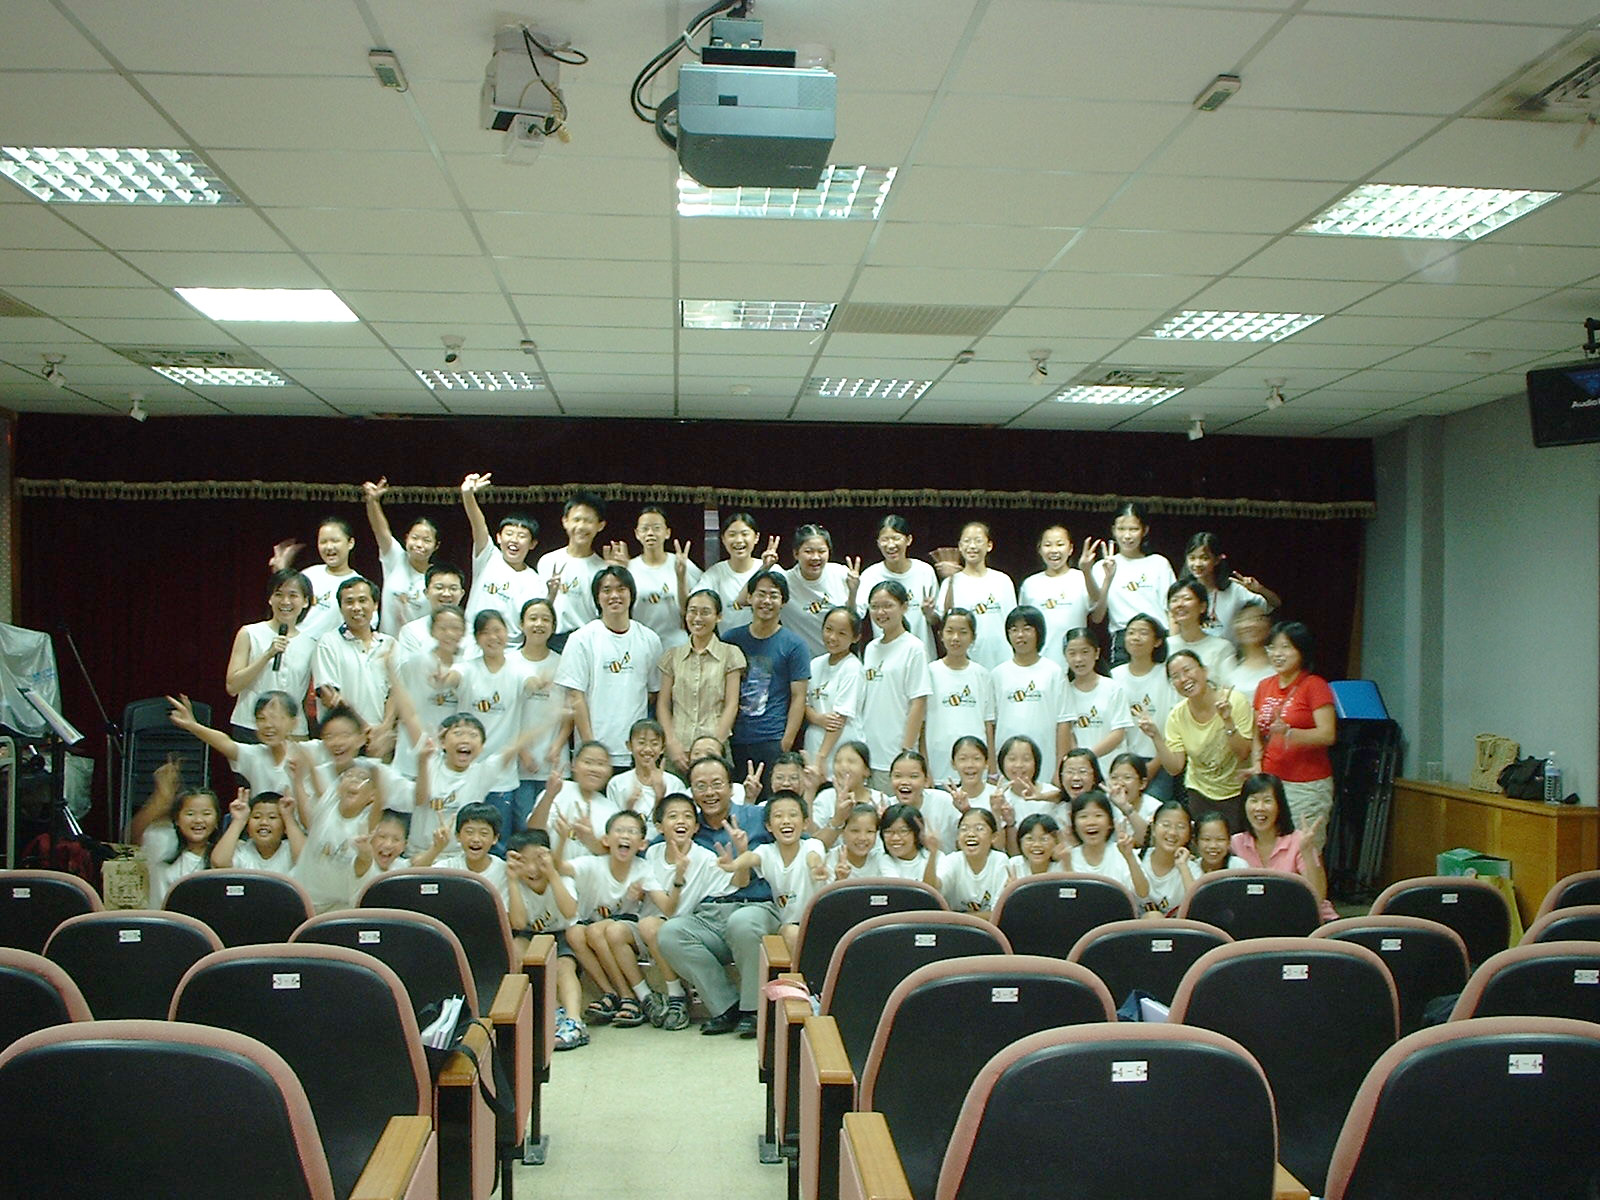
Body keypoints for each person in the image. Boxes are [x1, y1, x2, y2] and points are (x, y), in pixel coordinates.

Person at [656, 755, 778, 1037]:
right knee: (670, 933)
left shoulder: (756, 816)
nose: (709, 792)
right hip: (708, 915)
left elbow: (797, 839)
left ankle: (753, 1010)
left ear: (731, 787)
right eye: (701, 786)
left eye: (716, 784)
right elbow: (646, 846)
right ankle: (727, 1006)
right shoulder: (689, 824)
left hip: (755, 907)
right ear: (692, 791)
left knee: (742, 923)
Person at [562, 809, 673, 1029]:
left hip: (624, 925)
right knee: (574, 933)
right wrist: (560, 841)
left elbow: (666, 905)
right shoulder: (593, 863)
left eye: (632, 831)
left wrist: (673, 884)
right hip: (593, 923)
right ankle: (611, 993)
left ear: (642, 844)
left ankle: (628, 996)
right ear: (606, 840)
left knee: (597, 931)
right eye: (619, 830)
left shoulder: (642, 868)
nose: (625, 835)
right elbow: (561, 867)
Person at [431, 611, 531, 849]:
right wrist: (443, 679)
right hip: (467, 772)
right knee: (464, 841)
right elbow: (452, 678)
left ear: (507, 633)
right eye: (485, 632)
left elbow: (532, 683)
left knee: (497, 843)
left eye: (497, 631)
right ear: (476, 638)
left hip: (502, 776)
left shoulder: (519, 670)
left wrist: (541, 683)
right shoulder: (466, 668)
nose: (493, 637)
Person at [555, 566, 664, 769]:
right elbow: (575, 697)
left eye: (621, 589)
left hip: (636, 752)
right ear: (597, 598)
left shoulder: (650, 639)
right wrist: (590, 746)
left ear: (631, 594)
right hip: (593, 752)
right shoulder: (581, 639)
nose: (614, 595)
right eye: (606, 590)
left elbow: (652, 693)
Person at [1138, 649, 1254, 831]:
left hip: (1238, 792)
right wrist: (1155, 736)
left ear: (1204, 671)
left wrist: (1227, 719)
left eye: (1187, 670)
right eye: (1175, 677)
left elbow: (1243, 752)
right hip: (1199, 793)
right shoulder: (1177, 715)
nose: (1183, 679)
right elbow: (1175, 767)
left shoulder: (1235, 701)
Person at [639, 793, 728, 1030]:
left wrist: (736, 865)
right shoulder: (652, 854)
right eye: (673, 816)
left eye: (688, 816)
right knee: (613, 932)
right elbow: (664, 907)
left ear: (696, 827)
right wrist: (677, 876)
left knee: (653, 927)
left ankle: (676, 998)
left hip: (681, 928)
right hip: (649, 923)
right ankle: (641, 998)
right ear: (659, 826)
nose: (681, 821)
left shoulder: (706, 858)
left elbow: (735, 885)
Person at [723, 568, 811, 796]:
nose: (766, 601)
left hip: (772, 739)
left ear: (783, 601)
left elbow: (799, 697)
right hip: (735, 739)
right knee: (739, 802)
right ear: (749, 597)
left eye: (774, 595)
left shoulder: (795, 645)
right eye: (761, 594)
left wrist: (786, 742)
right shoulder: (731, 640)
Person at [1252, 621, 1337, 854]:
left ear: (1302, 650)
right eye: (1272, 647)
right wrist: (1256, 765)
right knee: (1271, 850)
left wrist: (1290, 733)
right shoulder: (1264, 686)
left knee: (1304, 851)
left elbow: (1328, 734)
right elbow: (1257, 733)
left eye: (1286, 647)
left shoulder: (1314, 685)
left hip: (1306, 786)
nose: (1277, 654)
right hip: (1271, 784)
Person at [715, 791, 826, 954]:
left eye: (793, 815)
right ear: (768, 826)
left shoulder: (812, 844)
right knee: (790, 932)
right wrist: (734, 864)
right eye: (778, 816)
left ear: (805, 823)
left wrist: (816, 868)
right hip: (788, 925)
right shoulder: (767, 851)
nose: (786, 821)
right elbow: (750, 857)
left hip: (819, 921)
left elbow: (813, 857)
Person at [503, 828, 585, 1048]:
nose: (532, 869)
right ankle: (554, 1011)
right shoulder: (510, 882)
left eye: (538, 860)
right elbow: (518, 923)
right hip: (529, 934)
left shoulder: (562, 878)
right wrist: (513, 881)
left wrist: (552, 874)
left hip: (561, 933)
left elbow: (569, 912)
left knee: (563, 966)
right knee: (516, 948)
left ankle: (574, 1021)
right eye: (524, 861)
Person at [657, 588, 745, 774]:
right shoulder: (672, 656)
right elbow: (663, 705)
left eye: (705, 612)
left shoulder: (730, 654)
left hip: (716, 747)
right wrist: (671, 744)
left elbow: (732, 704)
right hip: (678, 748)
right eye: (692, 611)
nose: (697, 618)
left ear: (718, 617)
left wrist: (713, 747)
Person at [225, 568, 317, 741]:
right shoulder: (250, 633)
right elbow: (232, 687)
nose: (285, 601)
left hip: (292, 732)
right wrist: (267, 655)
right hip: (251, 727)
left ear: (306, 601)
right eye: (279, 594)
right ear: (270, 599)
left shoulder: (311, 644)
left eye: (293, 595)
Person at [858, 581, 932, 792]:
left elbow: (918, 702)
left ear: (904, 607)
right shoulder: (871, 648)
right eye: (874, 606)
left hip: (895, 754)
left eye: (888, 606)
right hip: (868, 752)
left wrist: (906, 750)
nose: (880, 612)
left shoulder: (914, 647)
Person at [1232, 772, 1335, 922]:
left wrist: (1307, 853)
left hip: (1302, 917)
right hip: (1259, 919)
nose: (1260, 808)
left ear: (1279, 806)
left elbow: (1318, 896)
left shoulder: (1299, 840)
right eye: (1253, 800)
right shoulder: (1235, 843)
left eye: (1267, 801)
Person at [1086, 502, 1175, 668]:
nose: (1127, 536)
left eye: (1133, 529)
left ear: (1144, 530)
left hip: (1158, 638)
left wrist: (1174, 643)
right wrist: (1106, 578)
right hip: (1124, 639)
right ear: (1113, 530)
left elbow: (1171, 610)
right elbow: (1097, 616)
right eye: (1121, 529)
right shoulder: (1102, 566)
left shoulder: (1159, 563)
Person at [991, 606, 1071, 789]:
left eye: (1027, 629)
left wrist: (1060, 768)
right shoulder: (998, 674)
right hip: (1007, 762)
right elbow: (991, 724)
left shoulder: (1054, 672)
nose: (1020, 635)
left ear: (1038, 632)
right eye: (1014, 630)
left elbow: (1064, 723)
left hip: (1046, 759)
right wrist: (993, 768)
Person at [460, 472, 543, 640]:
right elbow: (478, 523)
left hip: (509, 649)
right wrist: (467, 495)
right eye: (509, 534)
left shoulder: (535, 582)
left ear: (532, 544)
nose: (514, 540)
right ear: (498, 538)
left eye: (522, 536)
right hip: (472, 644)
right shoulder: (488, 556)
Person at [168, 691, 300, 796]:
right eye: (261, 719)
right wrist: (192, 725)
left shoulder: (306, 753)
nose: (268, 725)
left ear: (294, 722)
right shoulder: (255, 755)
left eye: (275, 718)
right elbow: (225, 742)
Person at [388, 605, 467, 780]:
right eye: (443, 628)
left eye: (455, 628)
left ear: (463, 632)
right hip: (412, 753)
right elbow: (398, 696)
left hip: (450, 758)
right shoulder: (414, 663)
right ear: (432, 631)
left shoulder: (467, 665)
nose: (449, 634)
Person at [129, 758, 220, 906]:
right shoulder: (164, 843)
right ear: (177, 819)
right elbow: (133, 832)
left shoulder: (224, 855)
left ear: (216, 820)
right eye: (190, 814)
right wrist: (162, 795)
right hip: (165, 920)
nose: (198, 820)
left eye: (206, 814)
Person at [1110, 613, 1177, 801]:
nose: (1136, 638)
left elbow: (1175, 726)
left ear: (1157, 641)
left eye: (1143, 633)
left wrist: (1154, 765)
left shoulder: (1166, 674)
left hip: (1159, 761)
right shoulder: (1114, 676)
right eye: (1131, 632)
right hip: (1120, 763)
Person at [312, 576, 394, 730]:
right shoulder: (328, 643)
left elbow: (395, 692)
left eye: (362, 600)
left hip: (381, 735)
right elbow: (329, 695)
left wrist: (384, 728)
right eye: (349, 602)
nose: (356, 607)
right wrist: (364, 728)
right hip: (344, 735)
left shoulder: (389, 644)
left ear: (375, 604)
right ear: (340, 607)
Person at [513, 598, 570, 823]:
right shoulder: (509, 662)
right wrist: (522, 752)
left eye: (545, 619)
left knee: (552, 825)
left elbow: (570, 712)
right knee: (524, 825)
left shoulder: (563, 663)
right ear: (521, 624)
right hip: (517, 764)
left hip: (554, 761)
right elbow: (505, 715)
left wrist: (557, 746)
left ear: (554, 627)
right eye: (533, 618)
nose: (539, 624)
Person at [361, 476, 440, 635]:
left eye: (426, 540)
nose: (419, 544)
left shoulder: (437, 577)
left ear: (436, 546)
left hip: (418, 646)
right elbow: (380, 530)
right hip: (387, 643)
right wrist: (373, 501)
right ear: (406, 538)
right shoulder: (396, 558)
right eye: (415, 538)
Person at [924, 608, 995, 784]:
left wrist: (992, 769)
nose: (955, 638)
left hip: (975, 769)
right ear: (941, 635)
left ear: (973, 637)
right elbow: (921, 726)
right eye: (950, 631)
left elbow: (988, 725)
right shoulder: (929, 672)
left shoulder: (982, 675)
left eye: (963, 632)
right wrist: (924, 768)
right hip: (937, 766)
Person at [1019, 524, 1102, 672]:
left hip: (1075, 663)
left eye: (1060, 544)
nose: (1054, 550)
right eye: (1047, 545)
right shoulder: (1030, 584)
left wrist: (1087, 571)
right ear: (1039, 549)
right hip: (1040, 662)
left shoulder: (1081, 578)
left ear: (1070, 549)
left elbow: (1097, 602)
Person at [935, 521, 1016, 670]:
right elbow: (944, 618)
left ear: (989, 545)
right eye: (967, 541)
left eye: (978, 541)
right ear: (960, 546)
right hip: (966, 661)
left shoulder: (1003, 581)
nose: (972, 546)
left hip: (1002, 659)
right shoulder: (950, 582)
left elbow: (1012, 622)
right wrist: (950, 580)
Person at [857, 514, 939, 659]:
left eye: (896, 538)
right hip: (885, 656)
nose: (890, 545)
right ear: (878, 543)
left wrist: (929, 614)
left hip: (923, 656)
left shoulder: (925, 571)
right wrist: (852, 591)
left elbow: (937, 620)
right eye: (885, 539)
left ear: (909, 540)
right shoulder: (870, 575)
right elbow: (856, 615)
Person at [622, 506, 700, 652]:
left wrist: (681, 578)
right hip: (640, 644)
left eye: (656, 528)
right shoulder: (630, 568)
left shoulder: (682, 564)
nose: (650, 533)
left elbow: (690, 610)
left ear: (667, 533)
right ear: (637, 534)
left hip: (676, 643)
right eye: (645, 529)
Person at [1183, 532, 1280, 643]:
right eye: (1192, 558)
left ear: (1217, 559)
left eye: (1204, 558)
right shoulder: (1184, 591)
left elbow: (1275, 604)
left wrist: (1259, 589)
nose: (1197, 564)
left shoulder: (1235, 590)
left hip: (1230, 651)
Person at [802, 606, 865, 779]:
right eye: (829, 629)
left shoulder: (852, 668)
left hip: (840, 748)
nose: (832, 637)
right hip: (814, 743)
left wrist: (821, 757)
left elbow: (839, 719)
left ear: (855, 638)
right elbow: (804, 703)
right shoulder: (815, 663)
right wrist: (816, 718)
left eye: (842, 633)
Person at [781, 524, 860, 658]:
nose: (815, 557)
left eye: (821, 551)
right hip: (803, 661)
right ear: (796, 553)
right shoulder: (784, 582)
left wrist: (853, 592)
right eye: (809, 551)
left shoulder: (842, 574)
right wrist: (765, 567)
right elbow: (745, 600)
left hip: (842, 660)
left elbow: (854, 622)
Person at [538, 490, 608, 639]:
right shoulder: (548, 561)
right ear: (565, 521)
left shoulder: (603, 569)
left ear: (600, 525)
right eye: (576, 519)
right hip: (552, 639)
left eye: (588, 521)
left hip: (588, 639)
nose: (581, 526)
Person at [1059, 626, 1132, 764]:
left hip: (1111, 767)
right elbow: (1067, 732)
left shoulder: (1113, 688)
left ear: (1097, 653)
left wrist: (1088, 757)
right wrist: (1079, 760)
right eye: (1072, 653)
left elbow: (1118, 733)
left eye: (1085, 652)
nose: (1078, 659)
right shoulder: (1064, 692)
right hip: (1079, 770)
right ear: (1065, 656)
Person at [278, 516, 359, 641]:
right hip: (293, 644)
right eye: (323, 542)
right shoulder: (308, 574)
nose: (329, 547)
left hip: (328, 649)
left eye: (335, 541)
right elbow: (285, 603)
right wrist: (281, 569)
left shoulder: (359, 585)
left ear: (350, 543)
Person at [926, 807, 1011, 919]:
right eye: (964, 829)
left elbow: (997, 913)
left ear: (993, 837)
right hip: (952, 926)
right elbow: (931, 891)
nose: (970, 834)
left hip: (988, 927)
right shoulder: (952, 860)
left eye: (979, 829)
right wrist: (932, 854)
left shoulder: (1000, 860)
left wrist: (954, 917)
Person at [1065, 790, 1149, 899]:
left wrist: (1129, 857)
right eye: (1083, 816)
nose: (1091, 822)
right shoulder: (1068, 856)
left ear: (1110, 823)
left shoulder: (1122, 853)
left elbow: (1143, 893)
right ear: (1074, 825)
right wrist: (1066, 864)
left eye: (1098, 815)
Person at [432, 802, 511, 908]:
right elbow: (419, 880)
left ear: (495, 838)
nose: (476, 839)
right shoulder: (448, 867)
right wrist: (436, 849)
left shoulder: (503, 871)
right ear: (458, 836)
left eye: (484, 833)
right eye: (469, 832)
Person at [883, 749, 961, 854]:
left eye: (913, 776)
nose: (905, 782)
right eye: (898, 776)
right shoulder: (886, 807)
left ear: (926, 780)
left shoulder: (944, 801)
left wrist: (965, 810)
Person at [700, 511, 766, 634]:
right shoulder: (715, 573)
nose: (739, 540)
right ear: (723, 539)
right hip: (727, 643)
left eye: (745, 534)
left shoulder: (771, 568)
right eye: (732, 535)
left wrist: (765, 567)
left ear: (756, 537)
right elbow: (696, 602)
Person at [210, 788, 304, 873]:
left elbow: (306, 859)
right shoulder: (242, 850)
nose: (263, 822)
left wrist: (288, 817)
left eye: (272, 817)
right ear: (247, 826)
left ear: (285, 827)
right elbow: (219, 863)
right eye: (256, 817)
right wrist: (239, 820)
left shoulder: (291, 849)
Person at [393, 563, 473, 659]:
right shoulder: (411, 631)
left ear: (462, 594)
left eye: (453, 588)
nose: (446, 594)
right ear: (426, 592)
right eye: (439, 587)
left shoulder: (473, 631)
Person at [1166, 576, 1235, 686]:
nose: (1180, 604)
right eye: (1174, 600)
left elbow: (1229, 688)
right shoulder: (1165, 647)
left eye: (1187, 599)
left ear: (1202, 607)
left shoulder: (1222, 648)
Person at [1139, 800, 1198, 916]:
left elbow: (1197, 907)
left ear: (1189, 834)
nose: (1172, 832)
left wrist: (1182, 866)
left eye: (1181, 827)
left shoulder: (1192, 870)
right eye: (1166, 825)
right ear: (1153, 829)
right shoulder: (1135, 859)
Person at [1106, 751, 1160, 847]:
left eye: (1127, 778)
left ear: (1142, 783)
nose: (1120, 783)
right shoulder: (1104, 804)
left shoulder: (1155, 808)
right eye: (1114, 777)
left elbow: (1149, 841)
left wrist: (1125, 808)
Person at [824, 803, 887, 880]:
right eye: (855, 831)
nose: (862, 838)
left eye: (870, 831)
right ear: (842, 831)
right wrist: (839, 879)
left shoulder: (882, 858)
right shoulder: (830, 859)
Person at [876, 803, 932, 881]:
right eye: (888, 831)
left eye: (903, 831)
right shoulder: (880, 859)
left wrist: (933, 856)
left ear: (916, 833)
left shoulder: (934, 858)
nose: (895, 838)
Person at [1230, 604, 1277, 696]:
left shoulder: (1279, 660)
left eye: (1256, 619)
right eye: (1241, 620)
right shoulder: (1229, 663)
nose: (1247, 625)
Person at [1009, 812, 1067, 877]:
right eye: (1029, 839)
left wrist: (1067, 865)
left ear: (1056, 841)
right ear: (1020, 841)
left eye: (1044, 839)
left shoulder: (1063, 866)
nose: (1036, 845)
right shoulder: (1013, 865)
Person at [1194, 810, 1247, 875]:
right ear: (1196, 841)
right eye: (1206, 839)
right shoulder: (1191, 868)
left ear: (1229, 841)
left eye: (1220, 839)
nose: (1213, 846)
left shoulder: (1239, 866)